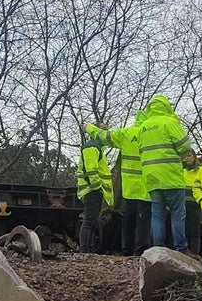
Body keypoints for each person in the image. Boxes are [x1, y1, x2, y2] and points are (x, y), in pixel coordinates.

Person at [85, 111, 151, 256]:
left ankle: (126, 250)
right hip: (146, 188)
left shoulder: (127, 133)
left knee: (128, 220)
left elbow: (106, 137)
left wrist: (89, 127)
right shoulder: (152, 136)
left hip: (128, 187)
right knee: (143, 223)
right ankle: (140, 251)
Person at [138, 94, 193, 256]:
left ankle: (157, 248)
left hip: (151, 177)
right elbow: (185, 146)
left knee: (157, 214)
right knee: (177, 213)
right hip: (170, 176)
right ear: (166, 106)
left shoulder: (143, 126)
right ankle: (181, 247)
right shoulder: (169, 122)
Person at [76, 127, 114, 253]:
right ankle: (85, 249)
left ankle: (88, 248)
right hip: (92, 190)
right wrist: (97, 187)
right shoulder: (91, 148)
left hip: (93, 190)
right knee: (89, 221)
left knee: (91, 221)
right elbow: (90, 170)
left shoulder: (95, 148)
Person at [183, 148, 202, 255]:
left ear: (194, 157)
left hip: (195, 205)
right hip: (182, 205)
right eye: (185, 156)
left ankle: (195, 253)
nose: (187, 159)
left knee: (194, 231)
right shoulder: (181, 170)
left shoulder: (200, 170)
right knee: (183, 230)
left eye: (189, 156)